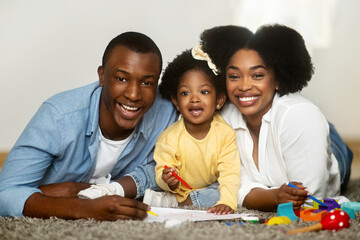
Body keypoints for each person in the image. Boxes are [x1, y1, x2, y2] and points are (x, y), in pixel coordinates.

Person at [0, 32, 177, 220]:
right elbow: (5, 195)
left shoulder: (167, 113)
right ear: (102, 76)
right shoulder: (59, 116)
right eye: (121, 79)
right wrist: (83, 207)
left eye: (147, 82)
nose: (133, 94)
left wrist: (78, 190)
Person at [200, 24, 353, 211]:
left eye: (257, 75)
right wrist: (273, 196)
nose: (244, 86)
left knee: (318, 135)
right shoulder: (223, 118)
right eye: (234, 76)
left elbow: (308, 200)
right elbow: (233, 186)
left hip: (324, 144)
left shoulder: (301, 117)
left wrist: (262, 194)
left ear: (278, 79)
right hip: (289, 127)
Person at [142, 47, 241, 215]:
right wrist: (168, 181)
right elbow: (162, 171)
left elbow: (229, 173)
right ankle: (114, 189)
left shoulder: (225, 134)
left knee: (224, 191)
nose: (194, 98)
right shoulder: (169, 137)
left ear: (219, 100)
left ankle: (176, 203)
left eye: (204, 92)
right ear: (176, 102)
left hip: (206, 188)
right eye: (185, 93)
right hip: (176, 188)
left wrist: (226, 202)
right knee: (148, 172)